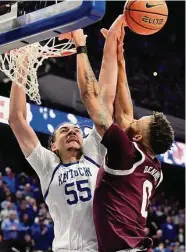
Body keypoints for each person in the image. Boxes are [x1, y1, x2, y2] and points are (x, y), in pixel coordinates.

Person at [72, 14, 174, 252]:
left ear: (137, 137)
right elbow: (126, 115)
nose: (132, 119)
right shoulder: (151, 166)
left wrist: (81, 46)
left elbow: (89, 95)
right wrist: (119, 54)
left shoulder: (127, 152)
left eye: (138, 122)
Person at [8, 38, 107, 251]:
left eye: (76, 131)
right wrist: (22, 65)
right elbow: (16, 119)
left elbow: (100, 102)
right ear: (53, 146)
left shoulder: (93, 153)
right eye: (64, 130)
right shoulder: (48, 165)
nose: (72, 131)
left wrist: (84, 46)